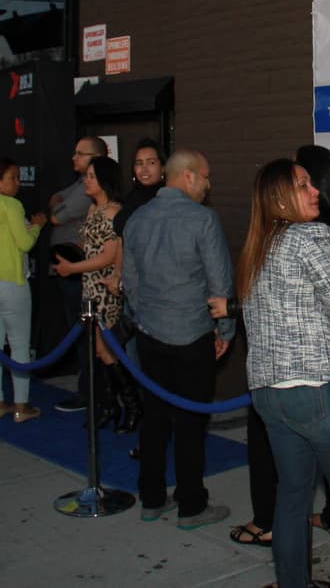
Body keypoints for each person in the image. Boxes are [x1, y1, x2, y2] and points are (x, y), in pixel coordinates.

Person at [236, 158, 330, 588]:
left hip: (269, 395)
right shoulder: (312, 236)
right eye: (302, 185)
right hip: (318, 389)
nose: (315, 191)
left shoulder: (256, 248)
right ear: (279, 199)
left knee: (292, 497)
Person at [121, 149, 234, 529]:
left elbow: (130, 282)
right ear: (188, 176)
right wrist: (226, 331)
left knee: (153, 418)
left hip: (149, 334)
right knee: (190, 423)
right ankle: (191, 505)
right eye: (205, 176)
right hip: (192, 335)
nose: (208, 185)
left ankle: (152, 499)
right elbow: (220, 283)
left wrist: (143, 320)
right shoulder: (203, 219)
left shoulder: (137, 219)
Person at [54, 155, 141, 433]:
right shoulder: (93, 210)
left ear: (104, 180)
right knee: (98, 351)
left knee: (107, 349)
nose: (86, 182)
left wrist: (72, 268)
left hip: (105, 288)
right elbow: (91, 246)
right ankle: (110, 405)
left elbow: (108, 256)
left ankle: (131, 406)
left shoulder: (115, 213)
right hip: (89, 287)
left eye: (91, 177)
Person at [0, 158, 47, 423]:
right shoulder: (11, 205)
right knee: (19, 345)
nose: (18, 182)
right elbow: (24, 243)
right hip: (10, 283)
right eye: (12, 177)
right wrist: (37, 226)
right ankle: (21, 406)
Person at [49, 135, 107, 413]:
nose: (74, 158)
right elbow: (56, 199)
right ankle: (90, 392)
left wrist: (58, 207)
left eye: (80, 154)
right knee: (80, 336)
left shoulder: (94, 195)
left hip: (84, 275)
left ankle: (91, 394)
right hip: (71, 272)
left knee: (88, 338)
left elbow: (56, 214)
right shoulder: (79, 185)